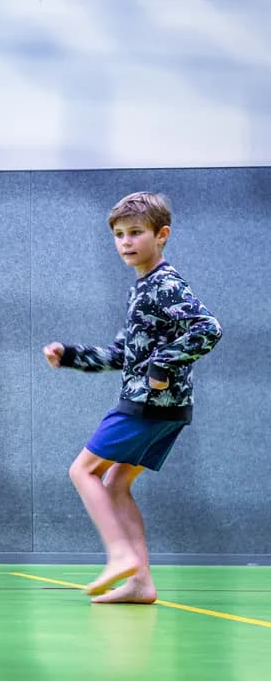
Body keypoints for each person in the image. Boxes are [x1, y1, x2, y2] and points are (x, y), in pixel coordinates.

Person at [43, 191, 221, 603]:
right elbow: (122, 353)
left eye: (135, 232)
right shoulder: (141, 289)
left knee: (82, 471)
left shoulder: (165, 284)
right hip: (166, 409)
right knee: (116, 483)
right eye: (119, 234)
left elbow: (208, 328)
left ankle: (120, 554)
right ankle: (140, 583)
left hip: (148, 404)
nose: (126, 242)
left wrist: (162, 365)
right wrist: (69, 355)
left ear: (162, 235)